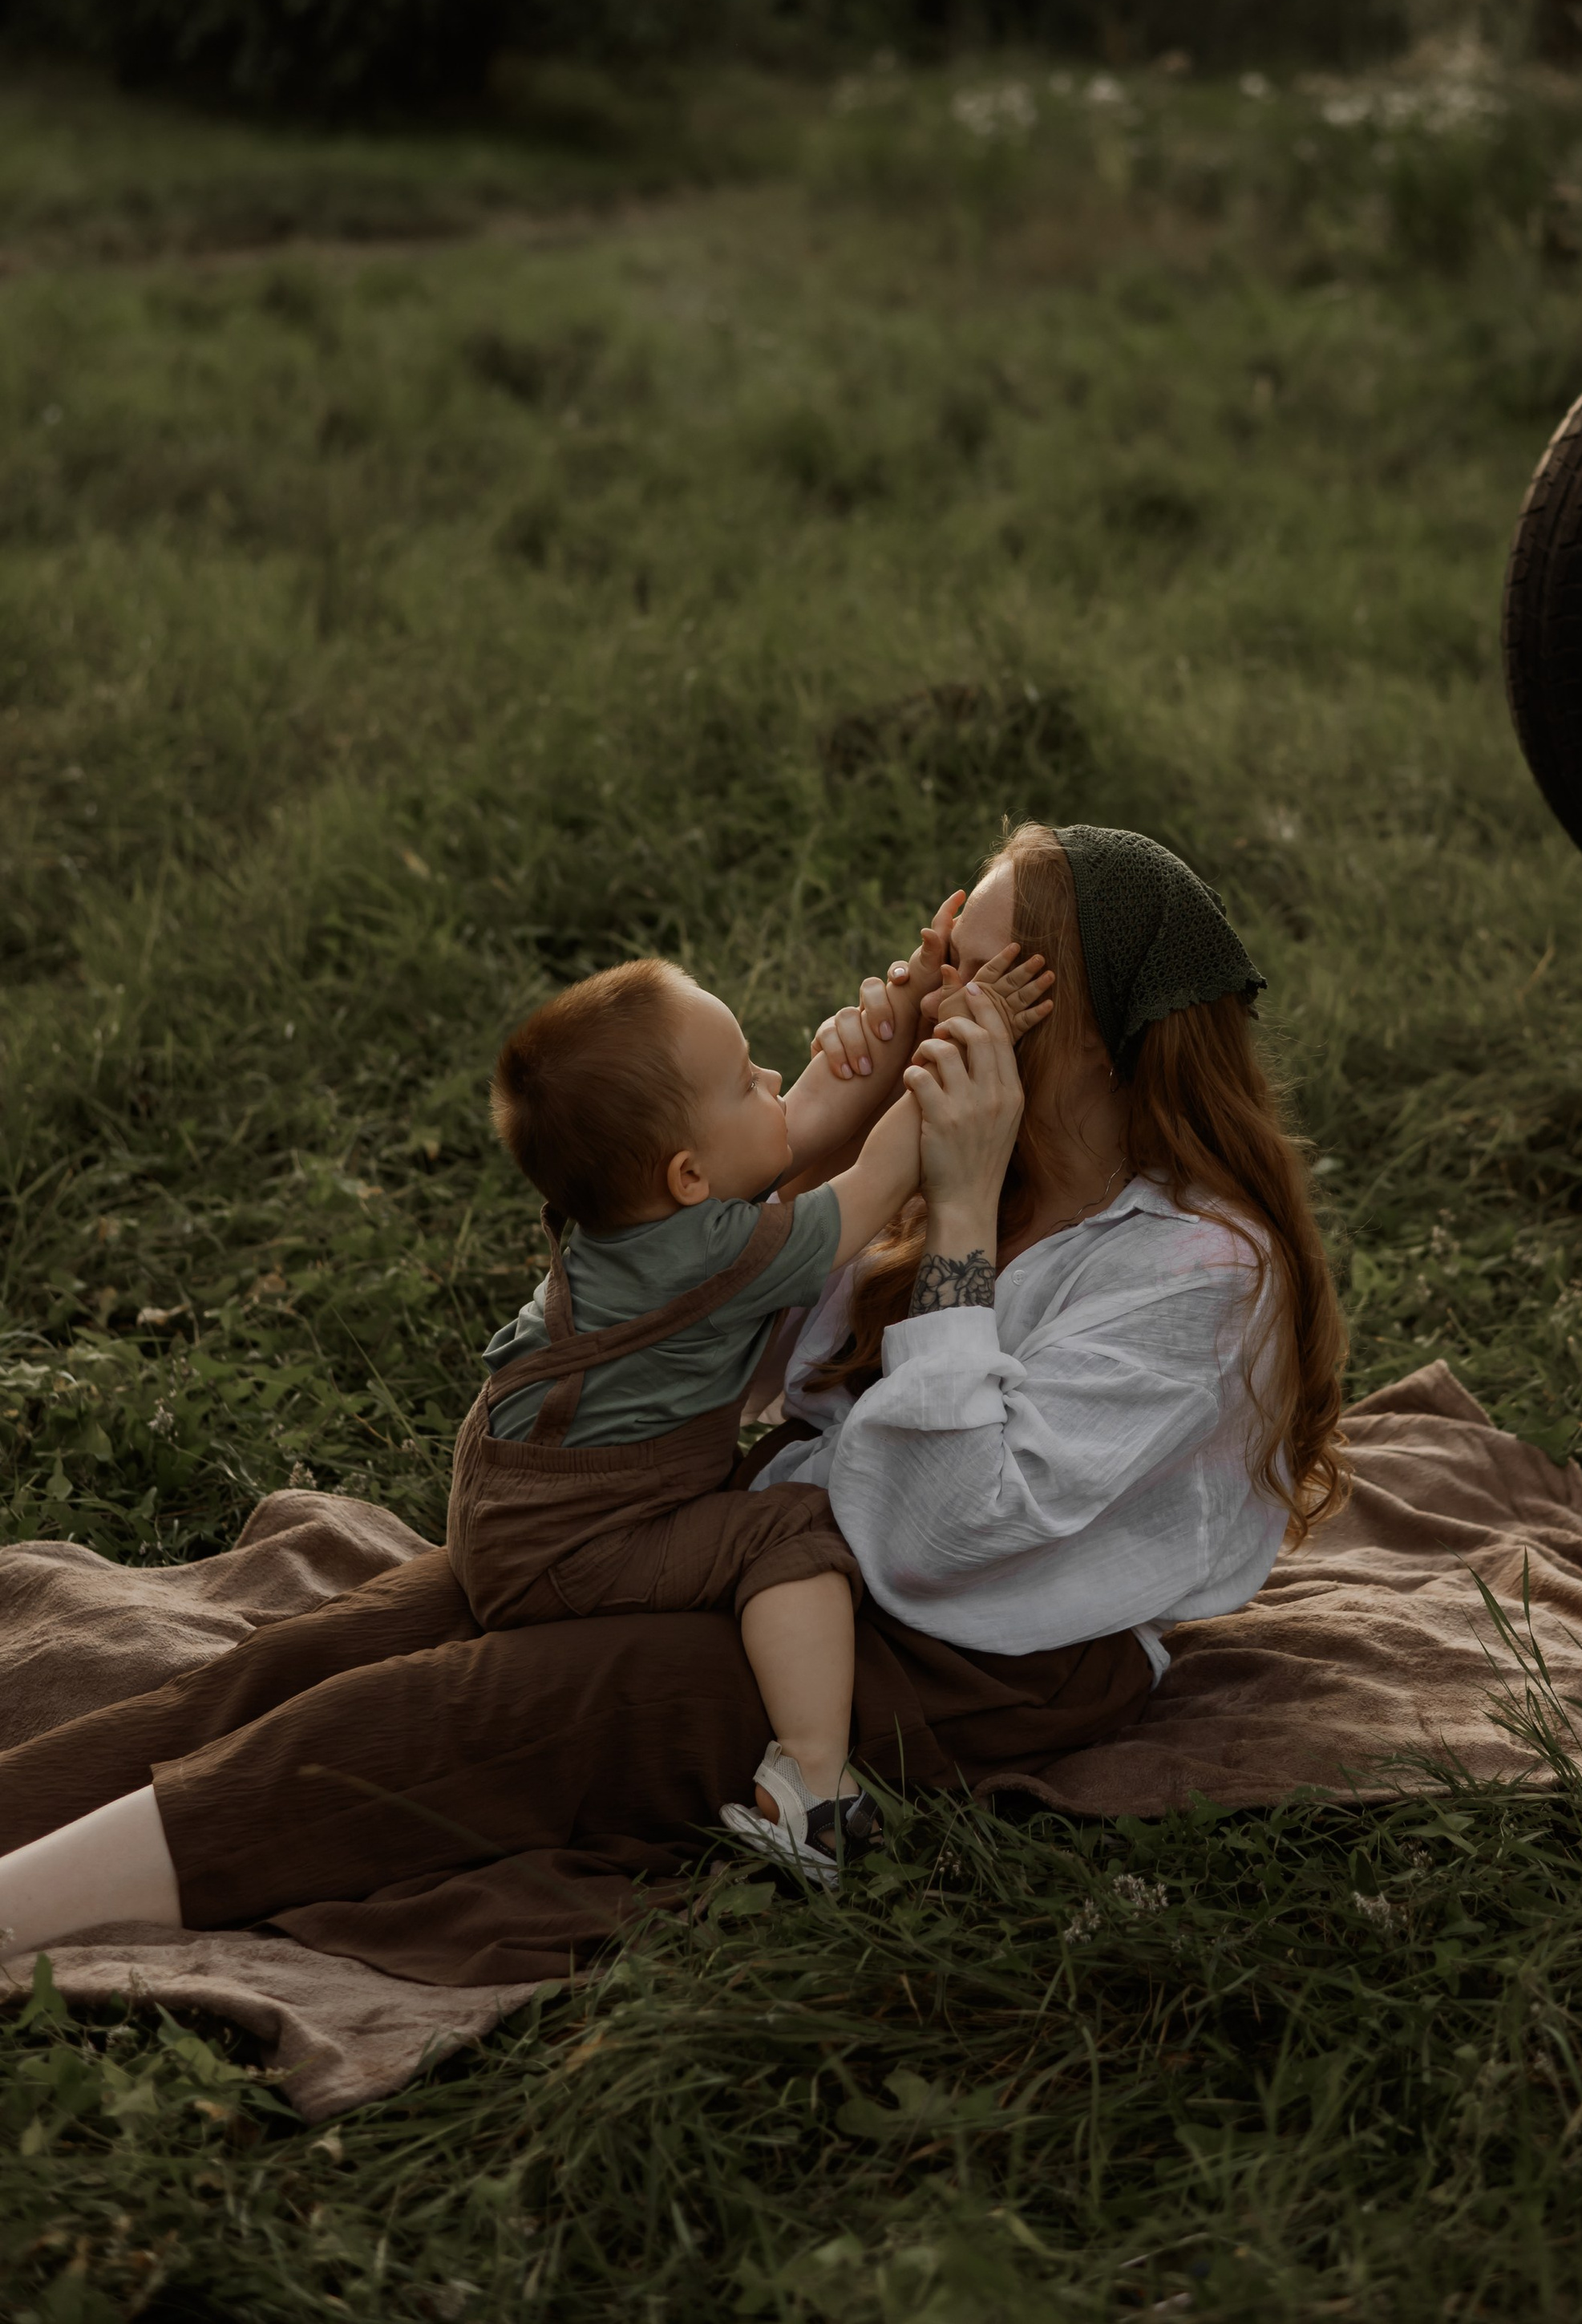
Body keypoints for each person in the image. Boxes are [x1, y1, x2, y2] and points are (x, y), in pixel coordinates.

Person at [0, 823, 1347, 1965]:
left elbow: (945, 1537)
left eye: (975, 974)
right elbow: (739, 1351)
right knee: (336, 1646)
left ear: (1091, 1031)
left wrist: (953, 1226)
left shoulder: (1197, 1271)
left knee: (465, 1717)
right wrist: (818, 1119)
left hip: (978, 1653)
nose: (936, 994)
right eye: (937, 960)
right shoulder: (979, 1155)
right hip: (780, 1551)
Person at [446, 921, 1052, 1883]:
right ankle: (810, 1784)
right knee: (790, 1529)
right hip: (573, 1540)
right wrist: (977, 1028)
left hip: (515, 1499)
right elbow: (887, 1173)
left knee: (748, 1512)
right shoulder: (721, 1252)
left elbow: (791, 1135)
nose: (776, 1078)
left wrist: (895, 1022)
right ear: (690, 1176)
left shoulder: (650, 1220)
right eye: (746, 1080)